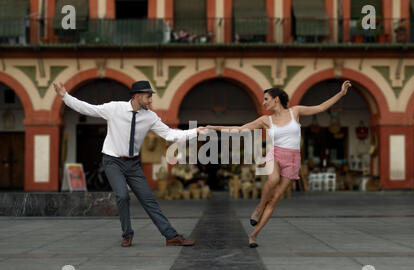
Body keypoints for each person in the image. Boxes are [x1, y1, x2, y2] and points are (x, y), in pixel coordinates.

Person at [53, 80, 206, 247]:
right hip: (113, 161)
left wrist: (195, 131)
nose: (150, 100)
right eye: (148, 97)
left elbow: (170, 135)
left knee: (149, 200)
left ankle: (171, 236)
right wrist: (64, 96)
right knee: (122, 196)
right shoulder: (115, 108)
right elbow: (88, 108)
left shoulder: (150, 117)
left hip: (133, 165)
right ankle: (127, 235)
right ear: (138, 96)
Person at [207, 80, 352, 248]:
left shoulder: (295, 112)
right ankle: (259, 208)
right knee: (273, 179)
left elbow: (320, 108)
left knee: (275, 199)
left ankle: (253, 235)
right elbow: (240, 129)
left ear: (276, 99)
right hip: (275, 154)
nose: (263, 102)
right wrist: (214, 127)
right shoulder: (265, 120)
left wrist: (341, 94)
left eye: (266, 99)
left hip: (293, 159)